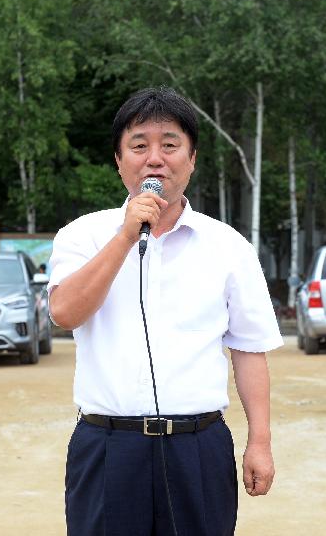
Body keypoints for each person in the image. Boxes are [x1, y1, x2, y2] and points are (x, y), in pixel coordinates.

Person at [48, 87, 283, 535]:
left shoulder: (228, 246)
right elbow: (64, 312)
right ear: (119, 160)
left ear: (191, 159)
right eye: (139, 145)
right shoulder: (82, 236)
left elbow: (250, 350)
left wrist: (261, 441)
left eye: (170, 144)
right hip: (107, 447)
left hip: (198, 448)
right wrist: (125, 235)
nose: (155, 158)